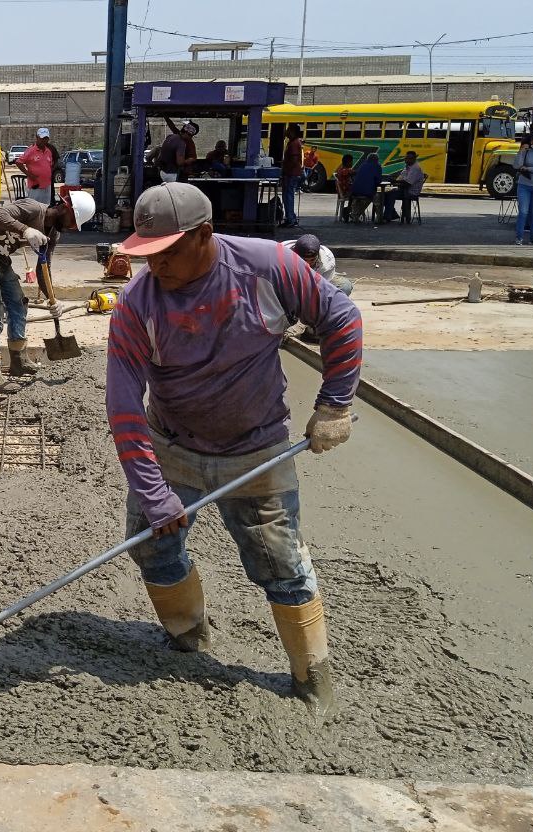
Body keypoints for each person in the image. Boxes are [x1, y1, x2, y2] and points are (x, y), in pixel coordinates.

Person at [107, 182, 362, 723]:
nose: (156, 268)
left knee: (282, 564)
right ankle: (188, 638)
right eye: (146, 256)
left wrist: (335, 405)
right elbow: (124, 402)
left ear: (204, 235)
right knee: (151, 546)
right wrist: (154, 494)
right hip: (173, 445)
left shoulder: (267, 268)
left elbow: (341, 318)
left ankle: (313, 679)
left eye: (166, 254)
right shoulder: (137, 304)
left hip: (256, 449)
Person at [0, 189, 95, 392]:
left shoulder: (53, 234)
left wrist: (54, 300)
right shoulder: (32, 208)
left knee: (18, 303)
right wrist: (25, 230)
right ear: (64, 208)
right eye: (72, 221)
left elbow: (43, 269)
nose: (72, 227)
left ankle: (18, 361)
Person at [16, 127, 56, 205]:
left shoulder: (49, 151)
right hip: (35, 186)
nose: (44, 141)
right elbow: (19, 162)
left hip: (47, 185)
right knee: (34, 208)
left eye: (46, 138)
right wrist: (29, 174)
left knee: (46, 208)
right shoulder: (31, 150)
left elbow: (49, 165)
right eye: (42, 138)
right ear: (37, 138)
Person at [384, 151, 425, 224]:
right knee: (385, 194)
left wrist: (395, 182)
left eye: (409, 158)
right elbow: (401, 179)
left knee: (390, 195)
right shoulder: (407, 168)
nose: (407, 160)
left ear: (414, 159)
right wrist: (395, 181)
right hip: (404, 189)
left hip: (410, 192)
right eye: (406, 158)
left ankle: (388, 216)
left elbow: (408, 184)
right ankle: (391, 214)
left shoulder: (415, 168)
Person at [280, 124, 303, 227]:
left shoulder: (294, 143)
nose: (286, 131)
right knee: (287, 195)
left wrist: (286, 171)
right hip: (291, 173)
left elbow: (294, 160)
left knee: (288, 196)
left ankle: (290, 219)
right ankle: (290, 217)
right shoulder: (292, 142)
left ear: (292, 131)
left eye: (288, 129)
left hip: (291, 174)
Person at [349, 152, 382, 221]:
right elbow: (378, 181)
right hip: (367, 192)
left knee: (363, 198)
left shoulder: (363, 165)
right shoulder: (378, 166)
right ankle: (379, 218)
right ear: (376, 160)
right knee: (378, 197)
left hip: (355, 191)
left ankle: (355, 215)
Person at [333, 154, 354, 221]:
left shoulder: (341, 168)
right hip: (345, 192)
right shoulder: (345, 170)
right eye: (351, 161)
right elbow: (354, 172)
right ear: (347, 162)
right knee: (360, 197)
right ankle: (348, 211)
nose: (352, 163)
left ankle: (349, 210)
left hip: (344, 191)